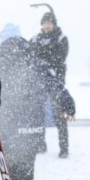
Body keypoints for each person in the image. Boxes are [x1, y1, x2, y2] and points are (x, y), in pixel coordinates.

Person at [0, 24, 75, 180]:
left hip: (10, 128)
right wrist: (68, 103)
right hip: (33, 127)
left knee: (11, 176)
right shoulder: (35, 61)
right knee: (26, 168)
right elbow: (55, 84)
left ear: (4, 42)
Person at [30, 11, 70, 158]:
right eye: (45, 23)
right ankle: (40, 144)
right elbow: (30, 56)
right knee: (38, 114)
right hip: (39, 82)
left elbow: (59, 58)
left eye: (50, 23)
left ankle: (64, 148)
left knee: (59, 115)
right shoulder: (35, 38)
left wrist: (43, 54)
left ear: (54, 24)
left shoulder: (61, 38)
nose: (47, 26)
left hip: (56, 82)